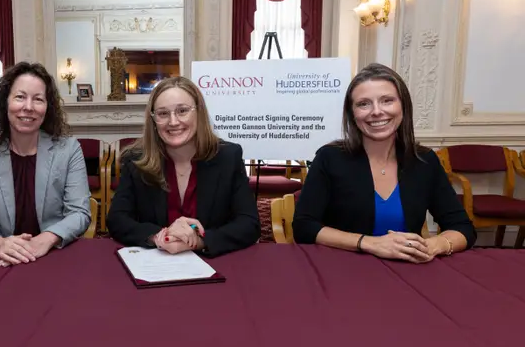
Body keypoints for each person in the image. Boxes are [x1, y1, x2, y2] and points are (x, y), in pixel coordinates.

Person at [293, 63, 476, 262]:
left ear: (403, 106)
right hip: (342, 266)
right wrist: (369, 243)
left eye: (387, 101)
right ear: (352, 114)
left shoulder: (424, 161)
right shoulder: (329, 157)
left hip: (407, 269)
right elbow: (304, 226)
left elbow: (462, 228)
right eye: (364, 104)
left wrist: (433, 246)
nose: (376, 111)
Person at [107, 76, 261, 257]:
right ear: (153, 120)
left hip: (213, 263)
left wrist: (199, 241)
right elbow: (117, 219)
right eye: (163, 114)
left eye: (182, 111)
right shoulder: (136, 160)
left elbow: (249, 224)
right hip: (155, 262)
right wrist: (160, 237)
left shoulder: (228, 156)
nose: (173, 122)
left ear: (199, 113)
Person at [0, 62, 91, 266]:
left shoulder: (69, 150)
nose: (28, 107)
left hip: (53, 255)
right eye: (20, 97)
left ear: (47, 107)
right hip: (1, 258)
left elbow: (79, 213)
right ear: (5, 102)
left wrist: (45, 240)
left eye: (38, 99)